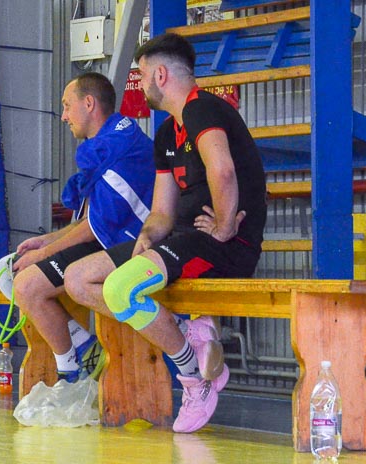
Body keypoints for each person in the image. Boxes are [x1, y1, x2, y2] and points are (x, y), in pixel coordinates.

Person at [64, 33, 267, 432]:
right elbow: (161, 211)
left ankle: (193, 380)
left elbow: (222, 169)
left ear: (160, 74)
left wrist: (225, 225)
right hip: (182, 241)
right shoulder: (165, 135)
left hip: (224, 246)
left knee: (120, 289)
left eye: (140, 74)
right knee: (78, 278)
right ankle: (184, 338)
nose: (139, 84)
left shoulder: (203, 110)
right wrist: (146, 238)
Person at [11, 72, 155, 382]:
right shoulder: (106, 141)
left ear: (88, 103)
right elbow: (89, 219)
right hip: (109, 241)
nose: (63, 116)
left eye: (66, 106)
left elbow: (96, 227)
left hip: (135, 244)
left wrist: (45, 252)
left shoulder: (117, 146)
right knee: (7, 270)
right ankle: (82, 344)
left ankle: (70, 373)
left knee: (26, 284)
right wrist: (46, 241)